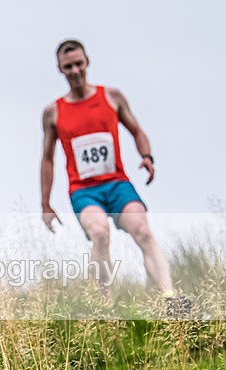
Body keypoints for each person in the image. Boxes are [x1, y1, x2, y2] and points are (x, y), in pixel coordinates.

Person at [39, 40, 190, 316]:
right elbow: (47, 158)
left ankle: (170, 298)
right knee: (99, 233)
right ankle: (104, 304)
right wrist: (45, 204)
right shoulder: (53, 112)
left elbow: (137, 130)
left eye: (78, 64)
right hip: (84, 190)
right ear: (59, 69)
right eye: (68, 66)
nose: (74, 71)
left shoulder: (112, 97)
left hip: (117, 183)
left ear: (87, 62)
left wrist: (147, 156)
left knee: (142, 230)